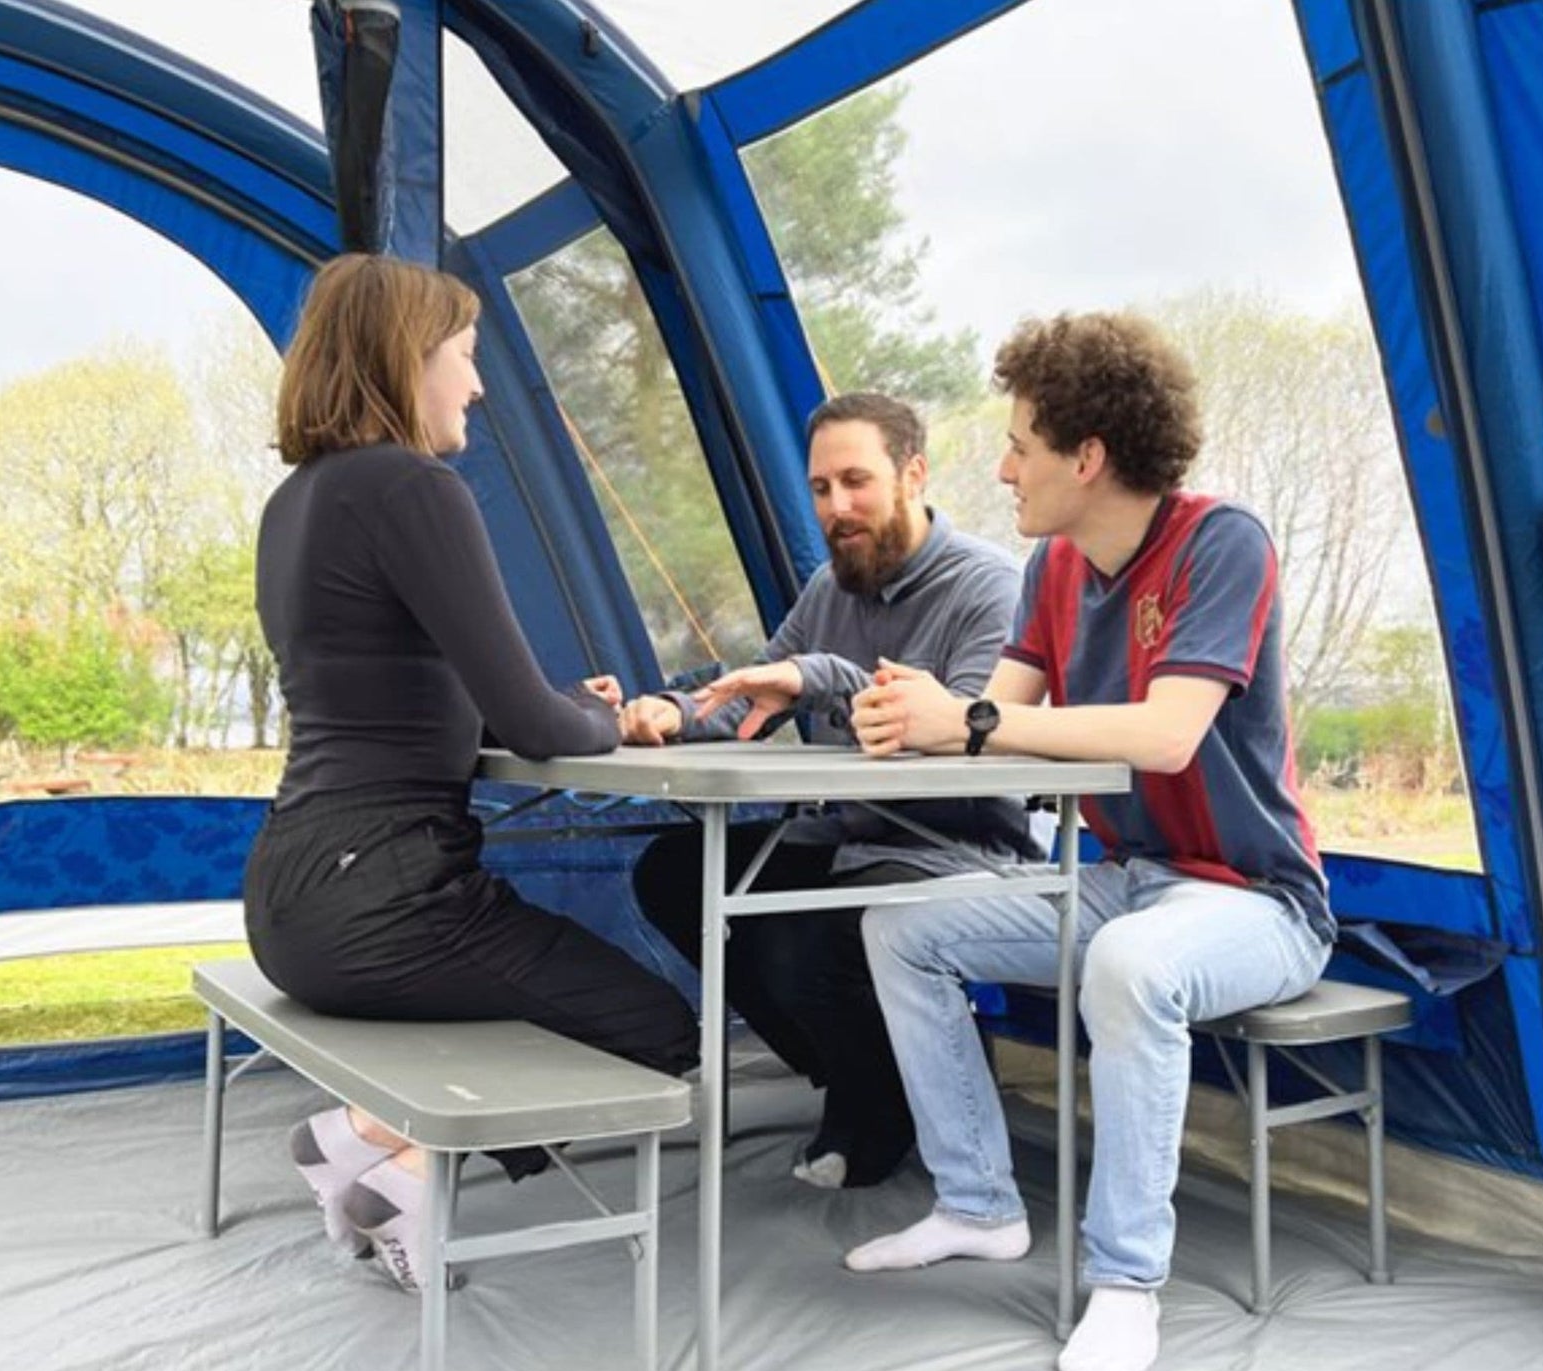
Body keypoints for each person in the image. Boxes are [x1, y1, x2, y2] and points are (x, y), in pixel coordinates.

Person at [845, 312, 1333, 1371]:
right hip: (1123, 881)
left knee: (1128, 965)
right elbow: (989, 723)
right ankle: (976, 1203)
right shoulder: (1053, 571)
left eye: (1020, 442)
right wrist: (899, 713)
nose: (1003, 467)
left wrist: (966, 722)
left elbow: (1165, 733)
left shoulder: (1222, 542)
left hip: (1257, 901)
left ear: (1088, 456)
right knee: (899, 928)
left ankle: (1124, 1283)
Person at [244, 254, 697, 1291]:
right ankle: (396, 1159)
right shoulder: (412, 487)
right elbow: (525, 716)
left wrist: (563, 706)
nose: (479, 384)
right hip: (388, 899)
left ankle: (370, 1146)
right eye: (465, 356)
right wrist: (613, 717)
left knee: (550, 1009)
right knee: (654, 1027)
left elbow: (396, 678)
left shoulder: (296, 502)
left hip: (291, 892)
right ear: (408, 360)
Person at [624, 392, 1039, 1189]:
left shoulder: (991, 586)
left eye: (856, 482)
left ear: (913, 473)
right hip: (850, 839)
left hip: (953, 849)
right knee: (675, 873)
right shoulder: (831, 588)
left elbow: (957, 735)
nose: (837, 508)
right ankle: (866, 1076)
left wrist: (817, 677)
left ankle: (880, 1110)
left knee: (801, 946)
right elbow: (760, 695)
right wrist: (668, 714)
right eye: (820, 489)